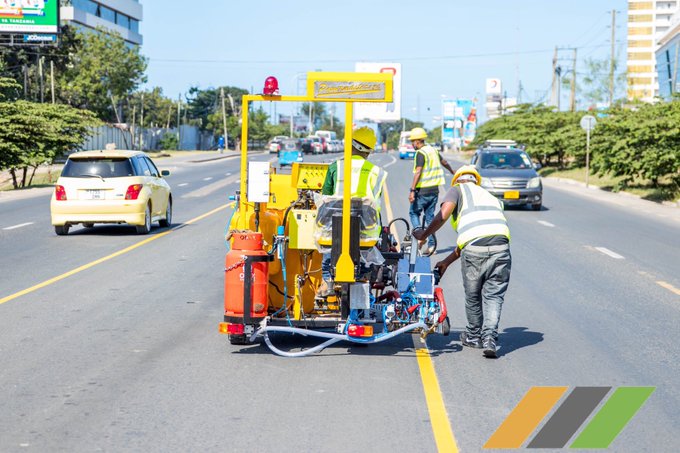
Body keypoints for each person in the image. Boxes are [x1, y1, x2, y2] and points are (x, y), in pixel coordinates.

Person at [412, 165, 511, 358]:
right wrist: (446, 262)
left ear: (458, 179)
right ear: (476, 180)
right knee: (494, 296)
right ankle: (489, 337)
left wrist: (423, 234)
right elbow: (481, 233)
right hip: (501, 248)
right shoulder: (491, 197)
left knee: (473, 294)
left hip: (475, 250)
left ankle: (474, 336)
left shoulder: (457, 189)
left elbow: (443, 214)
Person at [317, 127, 388, 297]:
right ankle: (362, 279)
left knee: (331, 247)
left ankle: (327, 281)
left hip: (333, 230)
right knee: (362, 255)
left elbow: (325, 197)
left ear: (350, 145)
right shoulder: (377, 172)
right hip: (365, 232)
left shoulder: (336, 166)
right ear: (369, 150)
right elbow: (375, 202)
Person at [408, 127, 455, 256]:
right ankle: (431, 246)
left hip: (422, 190)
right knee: (429, 218)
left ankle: (420, 236)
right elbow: (444, 162)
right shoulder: (433, 150)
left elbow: (418, 172)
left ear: (418, 141)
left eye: (413, 141)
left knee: (413, 213)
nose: (412, 144)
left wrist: (412, 190)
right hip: (434, 190)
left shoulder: (421, 153)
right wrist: (453, 172)